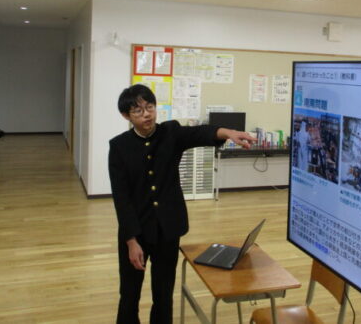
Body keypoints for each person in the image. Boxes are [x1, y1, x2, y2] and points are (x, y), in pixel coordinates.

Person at [108, 84, 256, 324]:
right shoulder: (119, 146)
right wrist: (131, 241)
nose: (147, 114)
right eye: (138, 111)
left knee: (163, 293)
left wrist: (228, 132)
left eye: (150, 107)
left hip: (168, 229)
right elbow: (121, 198)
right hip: (136, 231)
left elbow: (200, 133)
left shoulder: (170, 133)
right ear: (126, 116)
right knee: (129, 294)